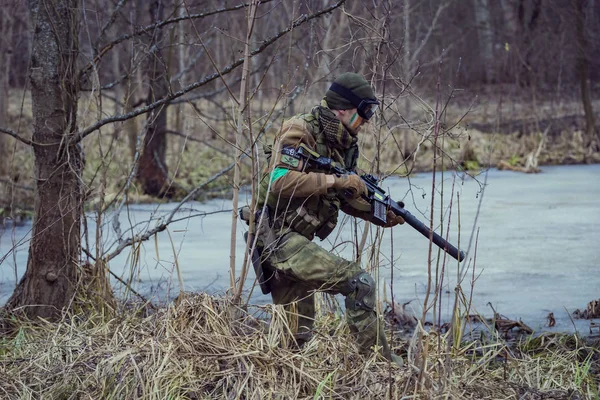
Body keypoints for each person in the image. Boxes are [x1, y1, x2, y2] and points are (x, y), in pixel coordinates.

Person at [252, 72, 405, 365]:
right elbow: (279, 180)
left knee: (294, 339)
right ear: (344, 109)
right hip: (275, 236)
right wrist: (335, 182)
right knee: (359, 282)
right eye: (365, 112)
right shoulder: (300, 130)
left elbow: (346, 198)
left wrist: (383, 215)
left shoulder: (343, 144)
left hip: (297, 240)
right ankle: (380, 366)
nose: (368, 120)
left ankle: (281, 385)